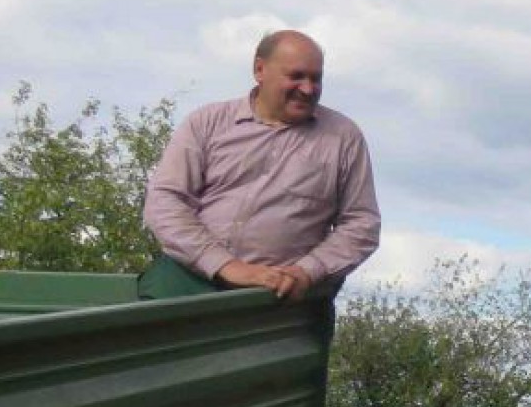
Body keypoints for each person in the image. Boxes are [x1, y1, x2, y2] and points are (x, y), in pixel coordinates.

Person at [141, 30, 380, 298]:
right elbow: (164, 201)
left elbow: (362, 224)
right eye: (296, 76)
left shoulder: (343, 137)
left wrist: (307, 271)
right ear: (259, 69)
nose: (308, 89)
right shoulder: (207, 123)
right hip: (187, 279)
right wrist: (225, 265)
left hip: (282, 298)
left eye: (316, 78)